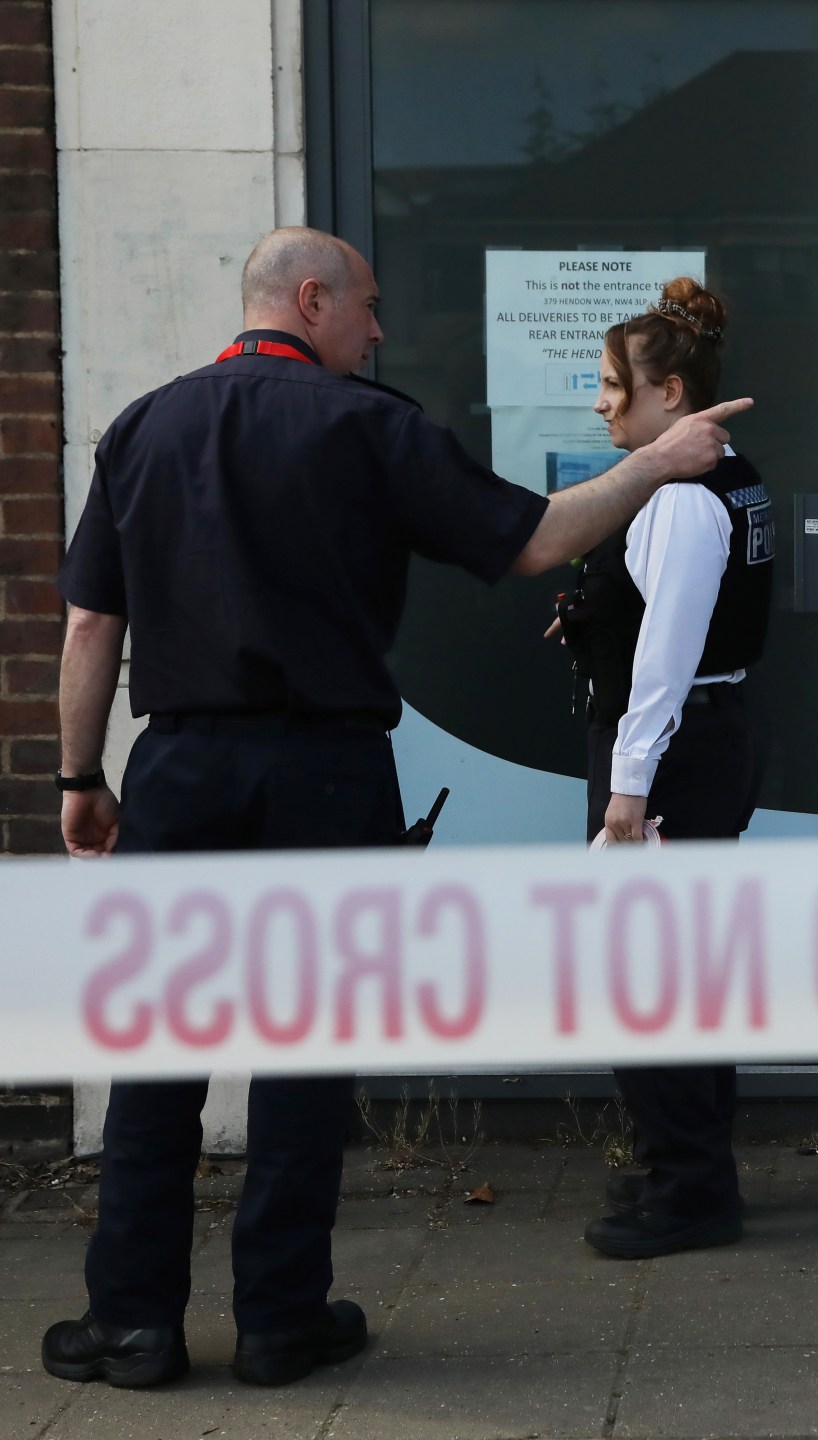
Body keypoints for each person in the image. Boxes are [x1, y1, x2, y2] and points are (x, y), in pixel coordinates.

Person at [46, 227, 747, 1390]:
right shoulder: (370, 427)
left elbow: (88, 625)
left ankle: (130, 1324)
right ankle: (281, 1321)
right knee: (306, 1054)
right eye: (366, 306)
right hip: (325, 775)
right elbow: (536, 540)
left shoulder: (143, 427)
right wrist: (660, 461)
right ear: (310, 300)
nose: (378, 331)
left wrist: (81, 779)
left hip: (181, 772)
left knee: (158, 1049)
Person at [559, 278, 772, 1259]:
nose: (602, 404)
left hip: (674, 751)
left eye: (615, 385)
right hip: (709, 738)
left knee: (645, 974)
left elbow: (669, 656)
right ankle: (691, 1170)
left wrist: (628, 789)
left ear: (671, 393)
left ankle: (687, 1189)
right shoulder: (729, 473)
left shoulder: (681, 498)